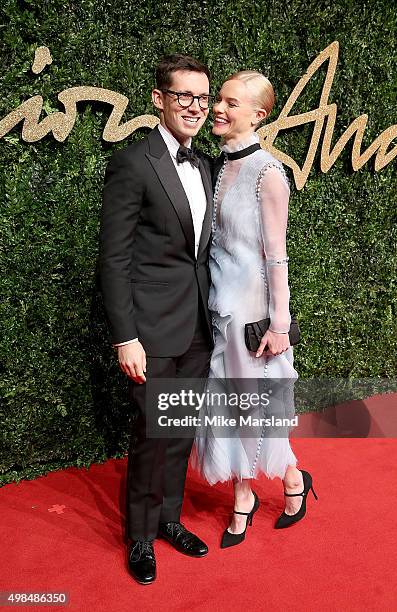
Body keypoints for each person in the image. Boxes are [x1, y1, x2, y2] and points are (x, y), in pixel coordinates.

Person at [99, 54, 214, 584]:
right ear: (158, 100)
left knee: (181, 431)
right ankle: (140, 536)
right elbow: (114, 257)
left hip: (197, 327)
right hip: (150, 329)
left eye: (201, 97)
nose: (194, 106)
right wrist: (126, 336)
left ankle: (169, 518)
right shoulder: (134, 162)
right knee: (152, 433)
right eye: (183, 96)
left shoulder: (205, 164)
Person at [192, 70, 317, 548]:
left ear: (258, 115)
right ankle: (269, 487)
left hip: (251, 314)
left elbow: (276, 254)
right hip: (218, 307)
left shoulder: (269, 173)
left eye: (230, 103)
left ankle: (279, 484)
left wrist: (281, 323)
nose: (217, 109)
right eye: (218, 99)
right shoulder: (221, 166)